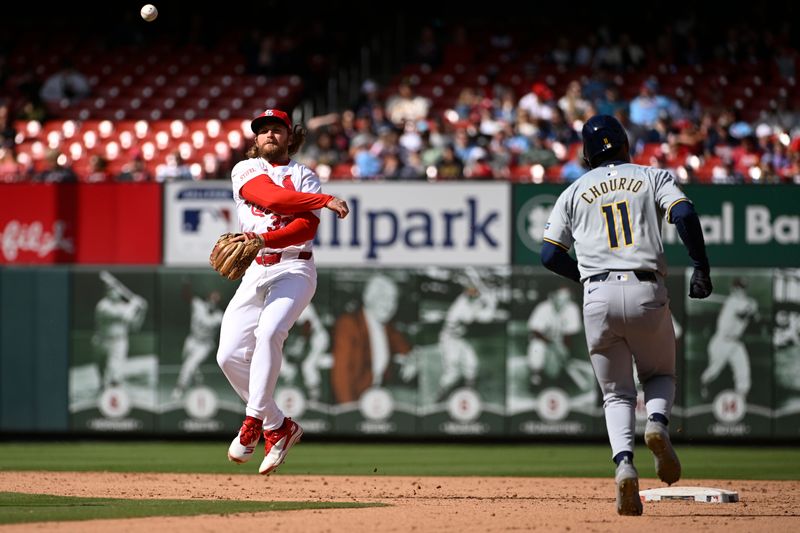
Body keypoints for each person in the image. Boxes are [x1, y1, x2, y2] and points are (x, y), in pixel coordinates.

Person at [540, 114, 713, 516]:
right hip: (645, 289)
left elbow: (549, 254)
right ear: (624, 144)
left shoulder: (572, 191)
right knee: (660, 375)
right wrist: (700, 266)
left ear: (586, 155)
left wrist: (584, 278)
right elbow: (684, 215)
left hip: (597, 294)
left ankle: (623, 466)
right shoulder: (651, 176)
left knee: (616, 393)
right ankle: (656, 422)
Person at [215, 108, 349, 476]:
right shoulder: (244, 170)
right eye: (264, 131)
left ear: (290, 137)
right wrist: (323, 200)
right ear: (255, 140)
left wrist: (265, 237)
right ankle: (280, 425)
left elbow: (304, 230)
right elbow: (270, 199)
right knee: (227, 356)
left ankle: (254, 421)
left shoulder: (305, 175)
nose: (270, 135)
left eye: (278, 129)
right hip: (256, 269)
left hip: (295, 267)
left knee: (270, 332)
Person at [330, 274, 417, 404]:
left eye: (393, 300)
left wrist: (412, 361)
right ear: (368, 299)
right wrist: (347, 412)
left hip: (378, 396)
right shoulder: (349, 325)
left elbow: (406, 348)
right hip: (355, 399)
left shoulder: (387, 327)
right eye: (383, 298)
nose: (390, 305)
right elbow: (341, 375)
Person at [436, 270, 497, 401]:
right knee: (452, 372)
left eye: (473, 289)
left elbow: (488, 315)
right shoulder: (461, 305)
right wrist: (487, 301)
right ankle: (441, 394)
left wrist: (489, 301)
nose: (472, 291)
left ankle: (469, 393)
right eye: (469, 289)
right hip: (449, 339)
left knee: (471, 364)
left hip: (461, 339)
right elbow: (481, 317)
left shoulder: (473, 299)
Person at [700, 278, 758, 399]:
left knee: (743, 370)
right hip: (722, 342)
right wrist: (752, 306)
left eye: (743, 288)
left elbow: (754, 318)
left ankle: (741, 397)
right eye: (738, 288)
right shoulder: (732, 302)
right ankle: (704, 384)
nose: (741, 290)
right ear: (733, 289)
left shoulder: (743, 301)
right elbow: (743, 313)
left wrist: (752, 307)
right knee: (713, 372)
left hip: (736, 343)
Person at [93, 271, 149, 388]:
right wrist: (134, 304)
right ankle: (103, 386)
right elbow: (125, 315)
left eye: (115, 289)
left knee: (115, 371)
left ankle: (114, 387)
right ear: (106, 292)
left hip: (119, 342)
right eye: (110, 290)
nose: (113, 292)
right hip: (102, 341)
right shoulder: (103, 306)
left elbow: (135, 326)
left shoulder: (123, 306)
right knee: (101, 371)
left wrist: (142, 311)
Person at [171, 287, 224, 401]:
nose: (213, 302)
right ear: (207, 298)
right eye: (212, 298)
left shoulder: (220, 316)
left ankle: (180, 388)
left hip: (204, 345)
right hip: (191, 340)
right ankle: (198, 380)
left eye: (216, 300)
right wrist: (185, 284)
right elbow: (187, 295)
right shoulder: (198, 305)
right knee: (188, 363)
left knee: (188, 365)